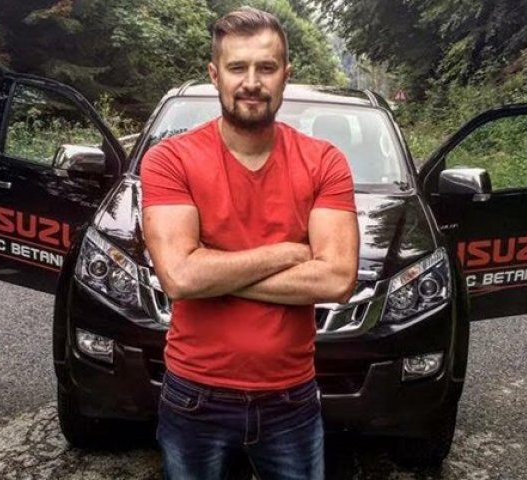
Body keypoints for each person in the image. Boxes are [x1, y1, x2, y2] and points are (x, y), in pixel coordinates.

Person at [140, 7, 359, 479]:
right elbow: (179, 277)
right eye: (238, 67)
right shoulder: (170, 160)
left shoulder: (324, 162)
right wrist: (288, 253)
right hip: (194, 395)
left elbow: (338, 279)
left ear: (286, 75)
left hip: (291, 398)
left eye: (266, 67)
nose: (252, 82)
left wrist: (211, 272)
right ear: (214, 74)